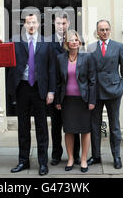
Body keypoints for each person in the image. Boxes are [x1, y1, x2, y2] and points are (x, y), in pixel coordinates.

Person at [7, 13, 56, 176]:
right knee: (23, 127)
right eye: (28, 23)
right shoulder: (15, 41)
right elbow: (6, 61)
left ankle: (43, 163)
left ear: (38, 24)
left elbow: (51, 69)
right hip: (22, 88)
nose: (31, 25)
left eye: (34, 22)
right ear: (24, 25)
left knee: (42, 127)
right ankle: (23, 161)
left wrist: (51, 91)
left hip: (39, 89)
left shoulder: (46, 43)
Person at [87, 20, 123, 169]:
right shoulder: (91, 47)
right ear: (97, 32)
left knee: (115, 126)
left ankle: (116, 156)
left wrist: (121, 88)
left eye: (106, 29)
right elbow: (87, 70)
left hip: (113, 91)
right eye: (101, 30)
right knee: (94, 125)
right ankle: (96, 156)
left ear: (110, 30)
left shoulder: (118, 47)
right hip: (96, 91)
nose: (104, 32)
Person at [55, 30, 96, 173]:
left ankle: (83, 159)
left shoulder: (87, 58)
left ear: (80, 42)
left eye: (77, 40)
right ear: (67, 43)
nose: (74, 42)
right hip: (67, 100)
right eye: (72, 40)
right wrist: (58, 100)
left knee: (85, 130)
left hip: (83, 100)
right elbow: (59, 81)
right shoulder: (60, 58)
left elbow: (92, 81)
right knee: (69, 130)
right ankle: (71, 158)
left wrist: (92, 100)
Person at [49, 12, 81, 166]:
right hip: (56, 90)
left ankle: (75, 154)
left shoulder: (74, 40)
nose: (61, 26)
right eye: (58, 23)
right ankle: (56, 154)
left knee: (74, 124)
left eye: (64, 23)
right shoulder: (48, 42)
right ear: (54, 24)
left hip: (71, 92)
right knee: (56, 125)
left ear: (68, 24)